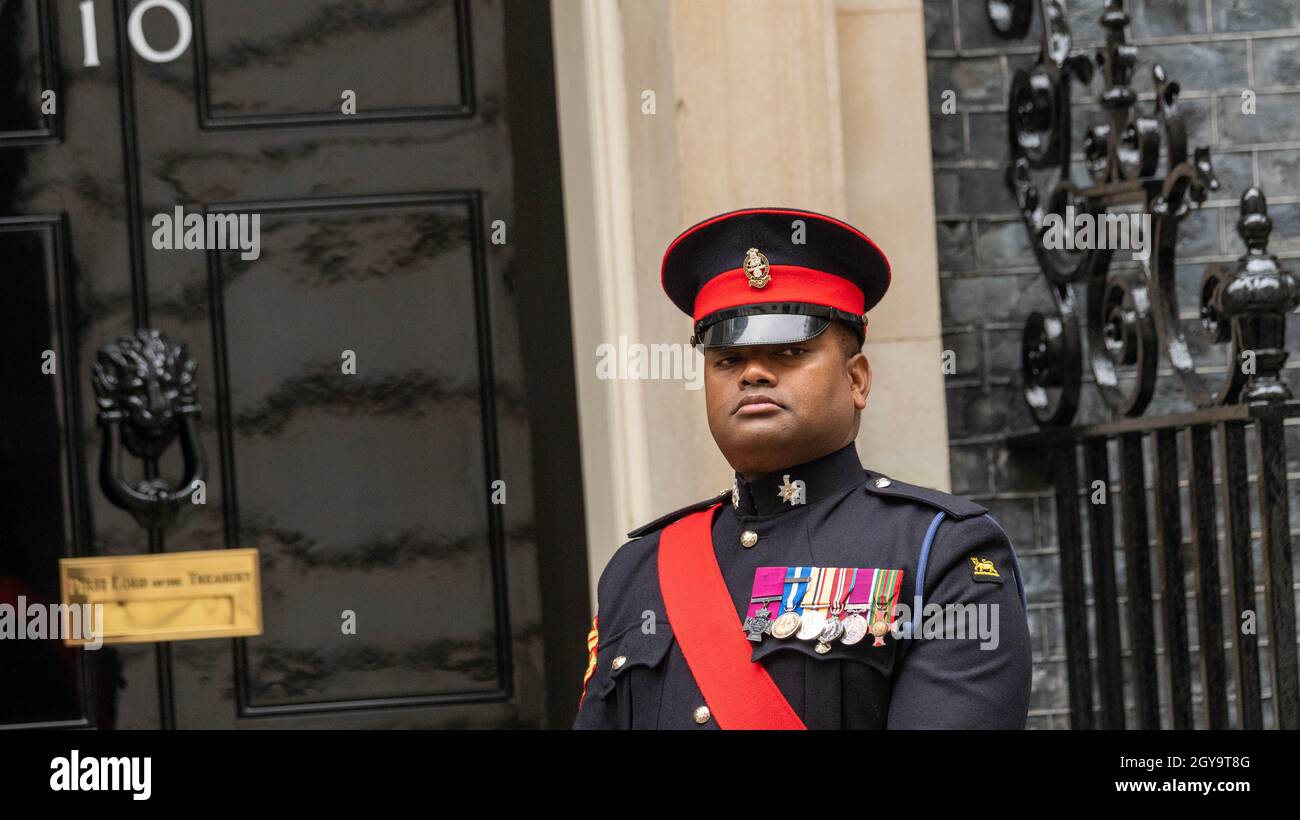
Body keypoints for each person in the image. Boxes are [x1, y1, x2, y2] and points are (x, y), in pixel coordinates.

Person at [573, 207, 1031, 729]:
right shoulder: (638, 569)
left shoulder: (939, 550)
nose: (754, 373)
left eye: (790, 351)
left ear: (857, 381)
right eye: (727, 360)